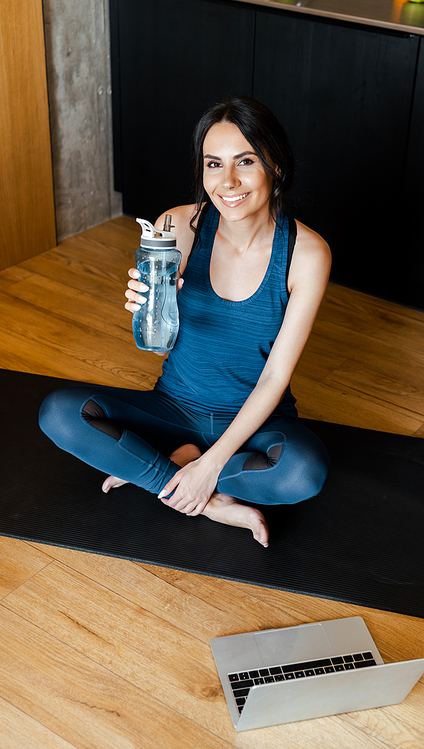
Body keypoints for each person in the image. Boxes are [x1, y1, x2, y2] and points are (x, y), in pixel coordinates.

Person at [39, 96, 332, 547]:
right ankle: (194, 492)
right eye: (214, 164)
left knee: (302, 473)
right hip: (172, 408)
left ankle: (160, 470)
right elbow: (160, 348)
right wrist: (151, 314)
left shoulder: (306, 253)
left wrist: (211, 464)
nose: (227, 181)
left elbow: (275, 376)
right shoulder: (177, 226)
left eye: (246, 161)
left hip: (256, 424)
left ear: (276, 165)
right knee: (59, 412)